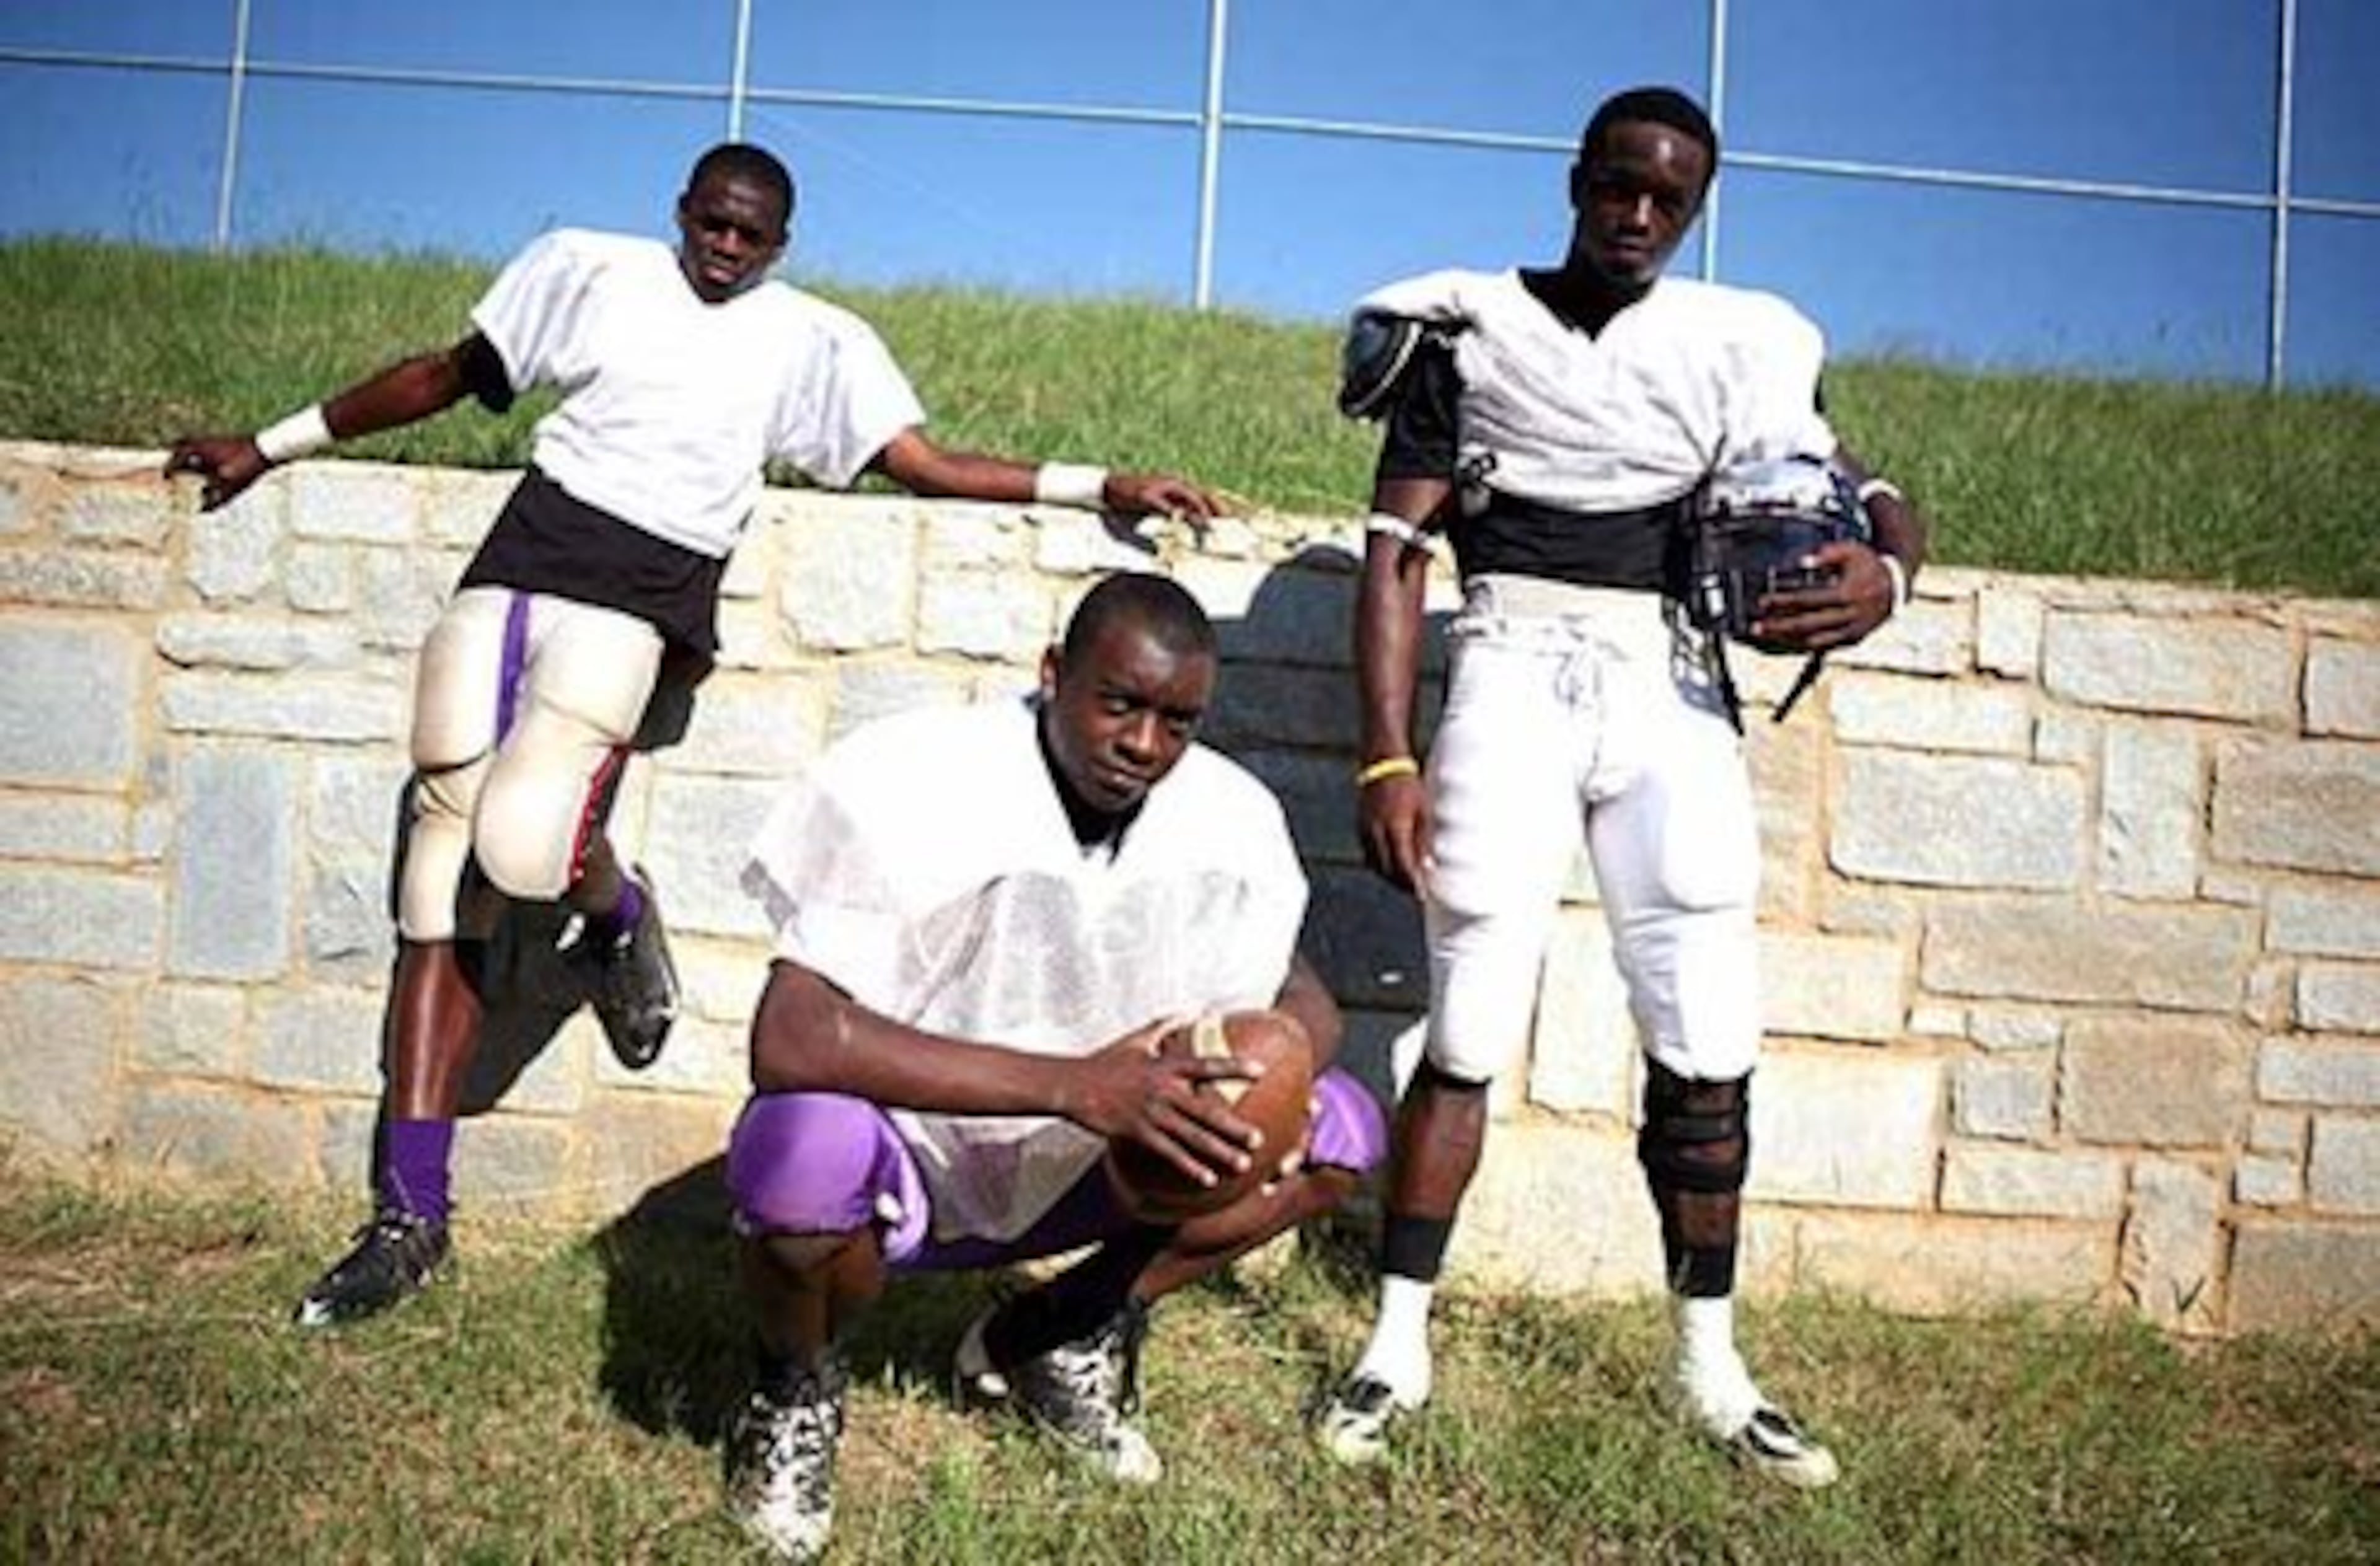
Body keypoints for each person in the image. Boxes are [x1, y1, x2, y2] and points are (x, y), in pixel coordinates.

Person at [163, 143, 1219, 1331]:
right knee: (437, 864)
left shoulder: (813, 339)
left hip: (644, 593)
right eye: (711, 224)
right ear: (680, 213)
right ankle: (411, 1212)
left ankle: (619, 915)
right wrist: (270, 442)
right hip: (523, 558)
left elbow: (921, 465)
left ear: (781, 244)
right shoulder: (590, 270)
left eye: (750, 235)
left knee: (525, 845)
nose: (726, 247)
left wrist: (1096, 486)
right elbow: (447, 375)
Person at [1313, 86, 1929, 1488]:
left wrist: (1891, 574)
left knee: (1706, 1029)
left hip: (1669, 682)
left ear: (1696, 205)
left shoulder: (1740, 341)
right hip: (1513, 663)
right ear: (1578, 179)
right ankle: (1396, 1337)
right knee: (1468, 1016)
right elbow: (1396, 554)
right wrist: (1387, 748)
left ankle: (1712, 1363)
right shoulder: (1466, 331)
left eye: (1670, 197)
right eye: (1620, 186)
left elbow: (1872, 485)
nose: (1640, 215)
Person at [721, 571, 1387, 1562]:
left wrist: (1257, 1085)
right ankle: (793, 1387)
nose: (1144, 745)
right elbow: (791, 1038)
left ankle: (1062, 1326)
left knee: (1335, 1132)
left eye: (1178, 721)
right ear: (1053, 674)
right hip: (915, 1154)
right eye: (1119, 704)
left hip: (1097, 1163)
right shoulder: (925, 771)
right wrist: (1076, 1084)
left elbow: (1308, 1007)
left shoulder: (1225, 815)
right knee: (800, 1150)